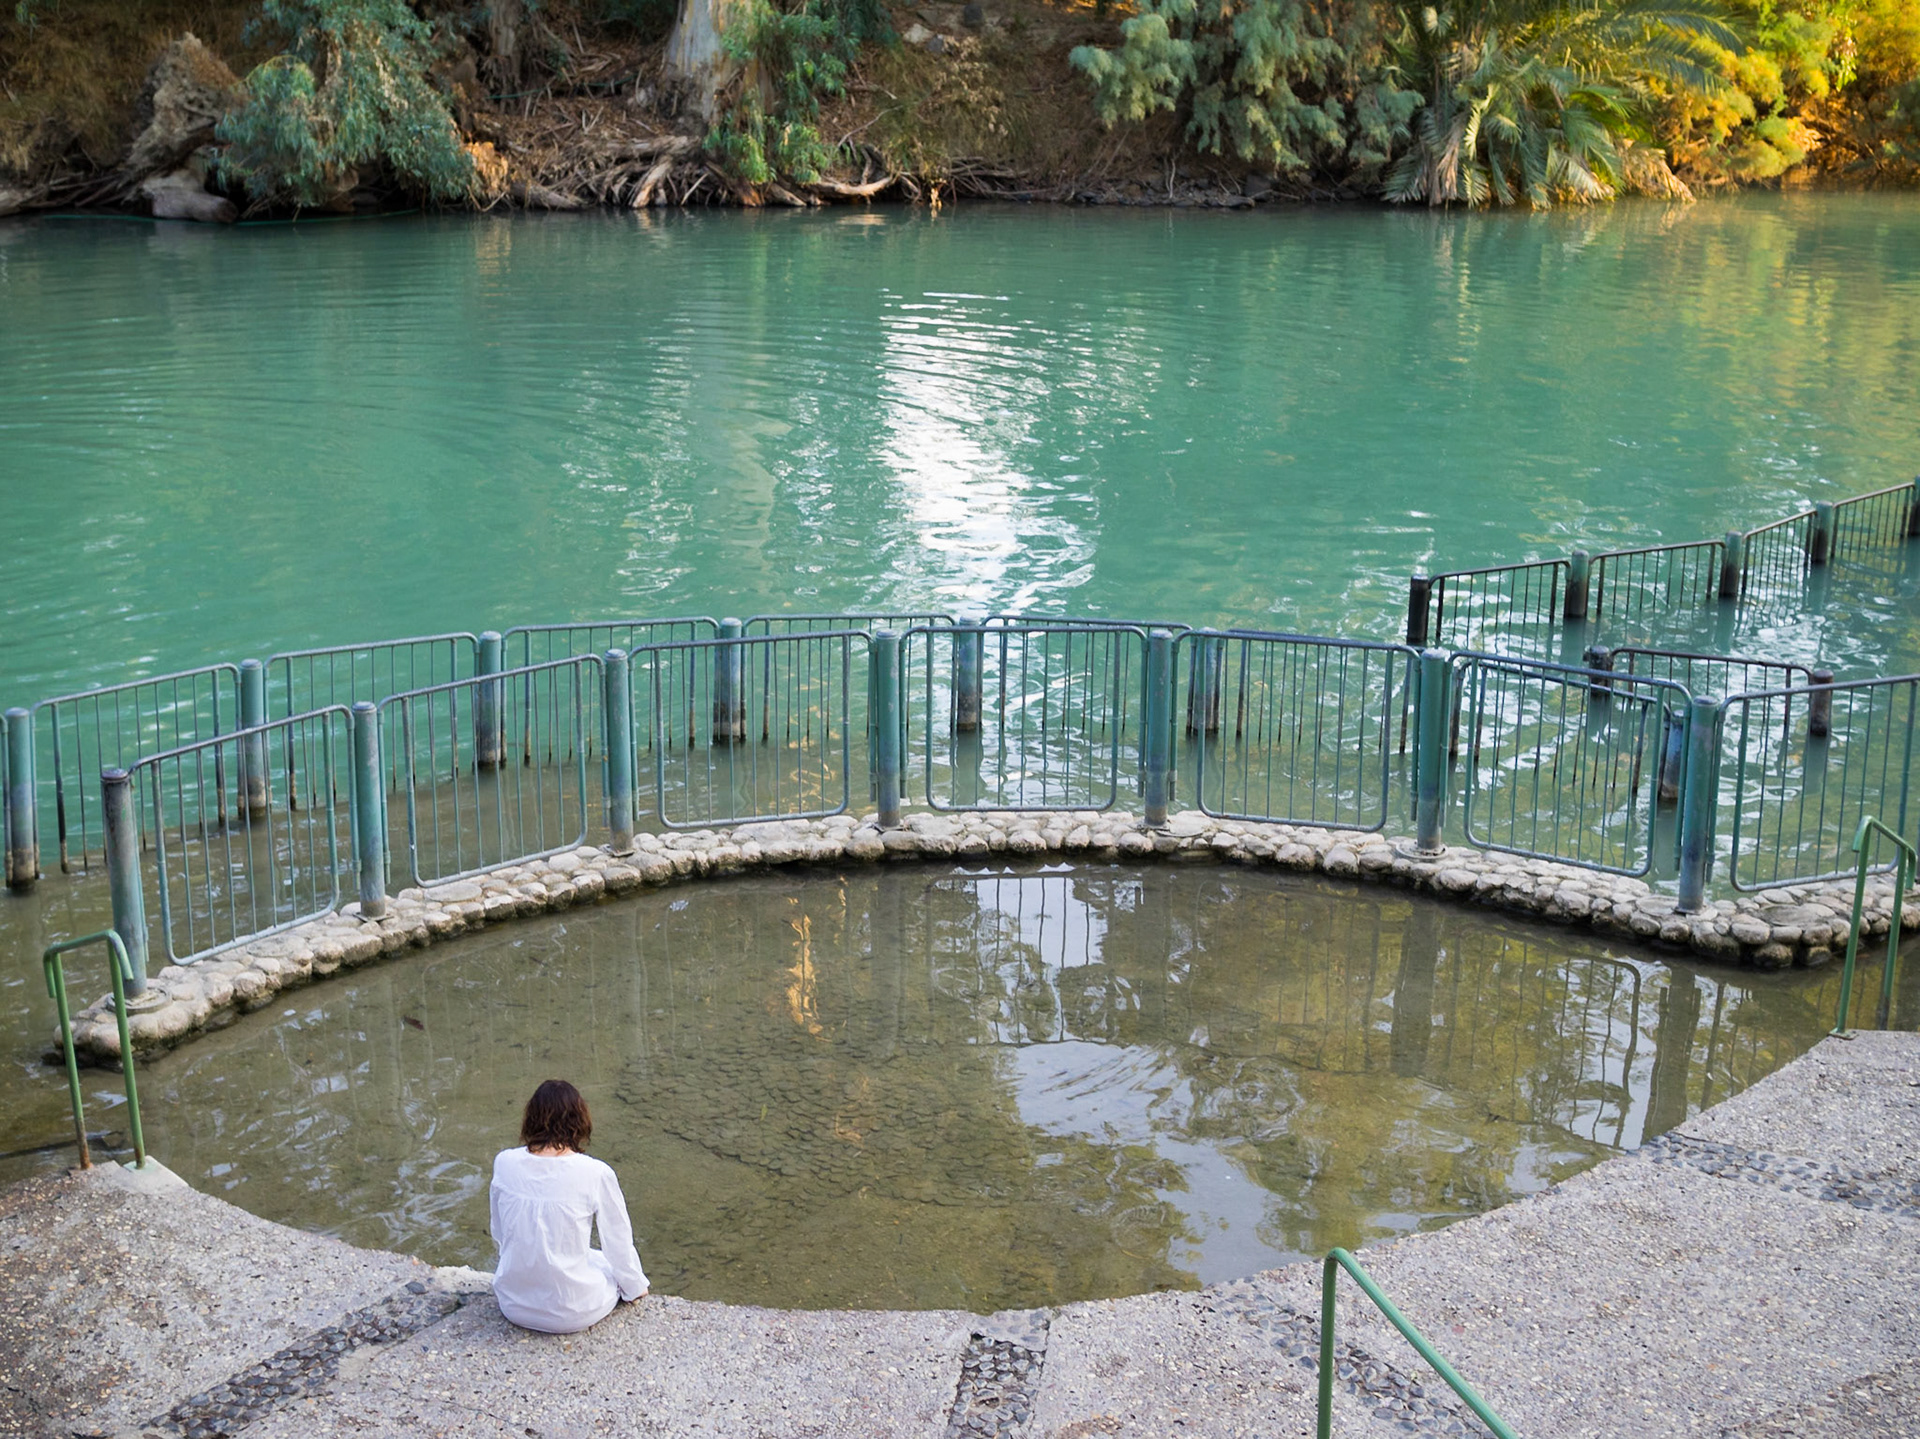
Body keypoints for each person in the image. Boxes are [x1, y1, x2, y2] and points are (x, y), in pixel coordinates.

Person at [489, 1079, 649, 1333]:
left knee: (587, 1255)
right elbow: (617, 1242)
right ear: (579, 1120)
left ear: (530, 1117)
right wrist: (635, 1287)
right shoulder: (595, 1172)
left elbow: (500, 1231)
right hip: (573, 1313)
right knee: (606, 1264)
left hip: (513, 1305)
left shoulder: (504, 1162)